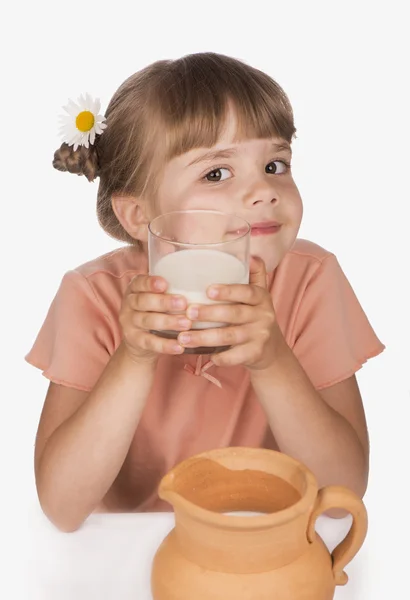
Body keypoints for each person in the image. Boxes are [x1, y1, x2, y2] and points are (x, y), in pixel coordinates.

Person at [26, 52, 384, 532]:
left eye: (275, 164)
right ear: (137, 216)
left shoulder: (312, 278)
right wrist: (133, 357)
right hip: (127, 557)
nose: (264, 190)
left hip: (259, 546)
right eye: (216, 173)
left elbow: (342, 496)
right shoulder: (91, 296)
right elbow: (61, 507)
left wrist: (271, 358)